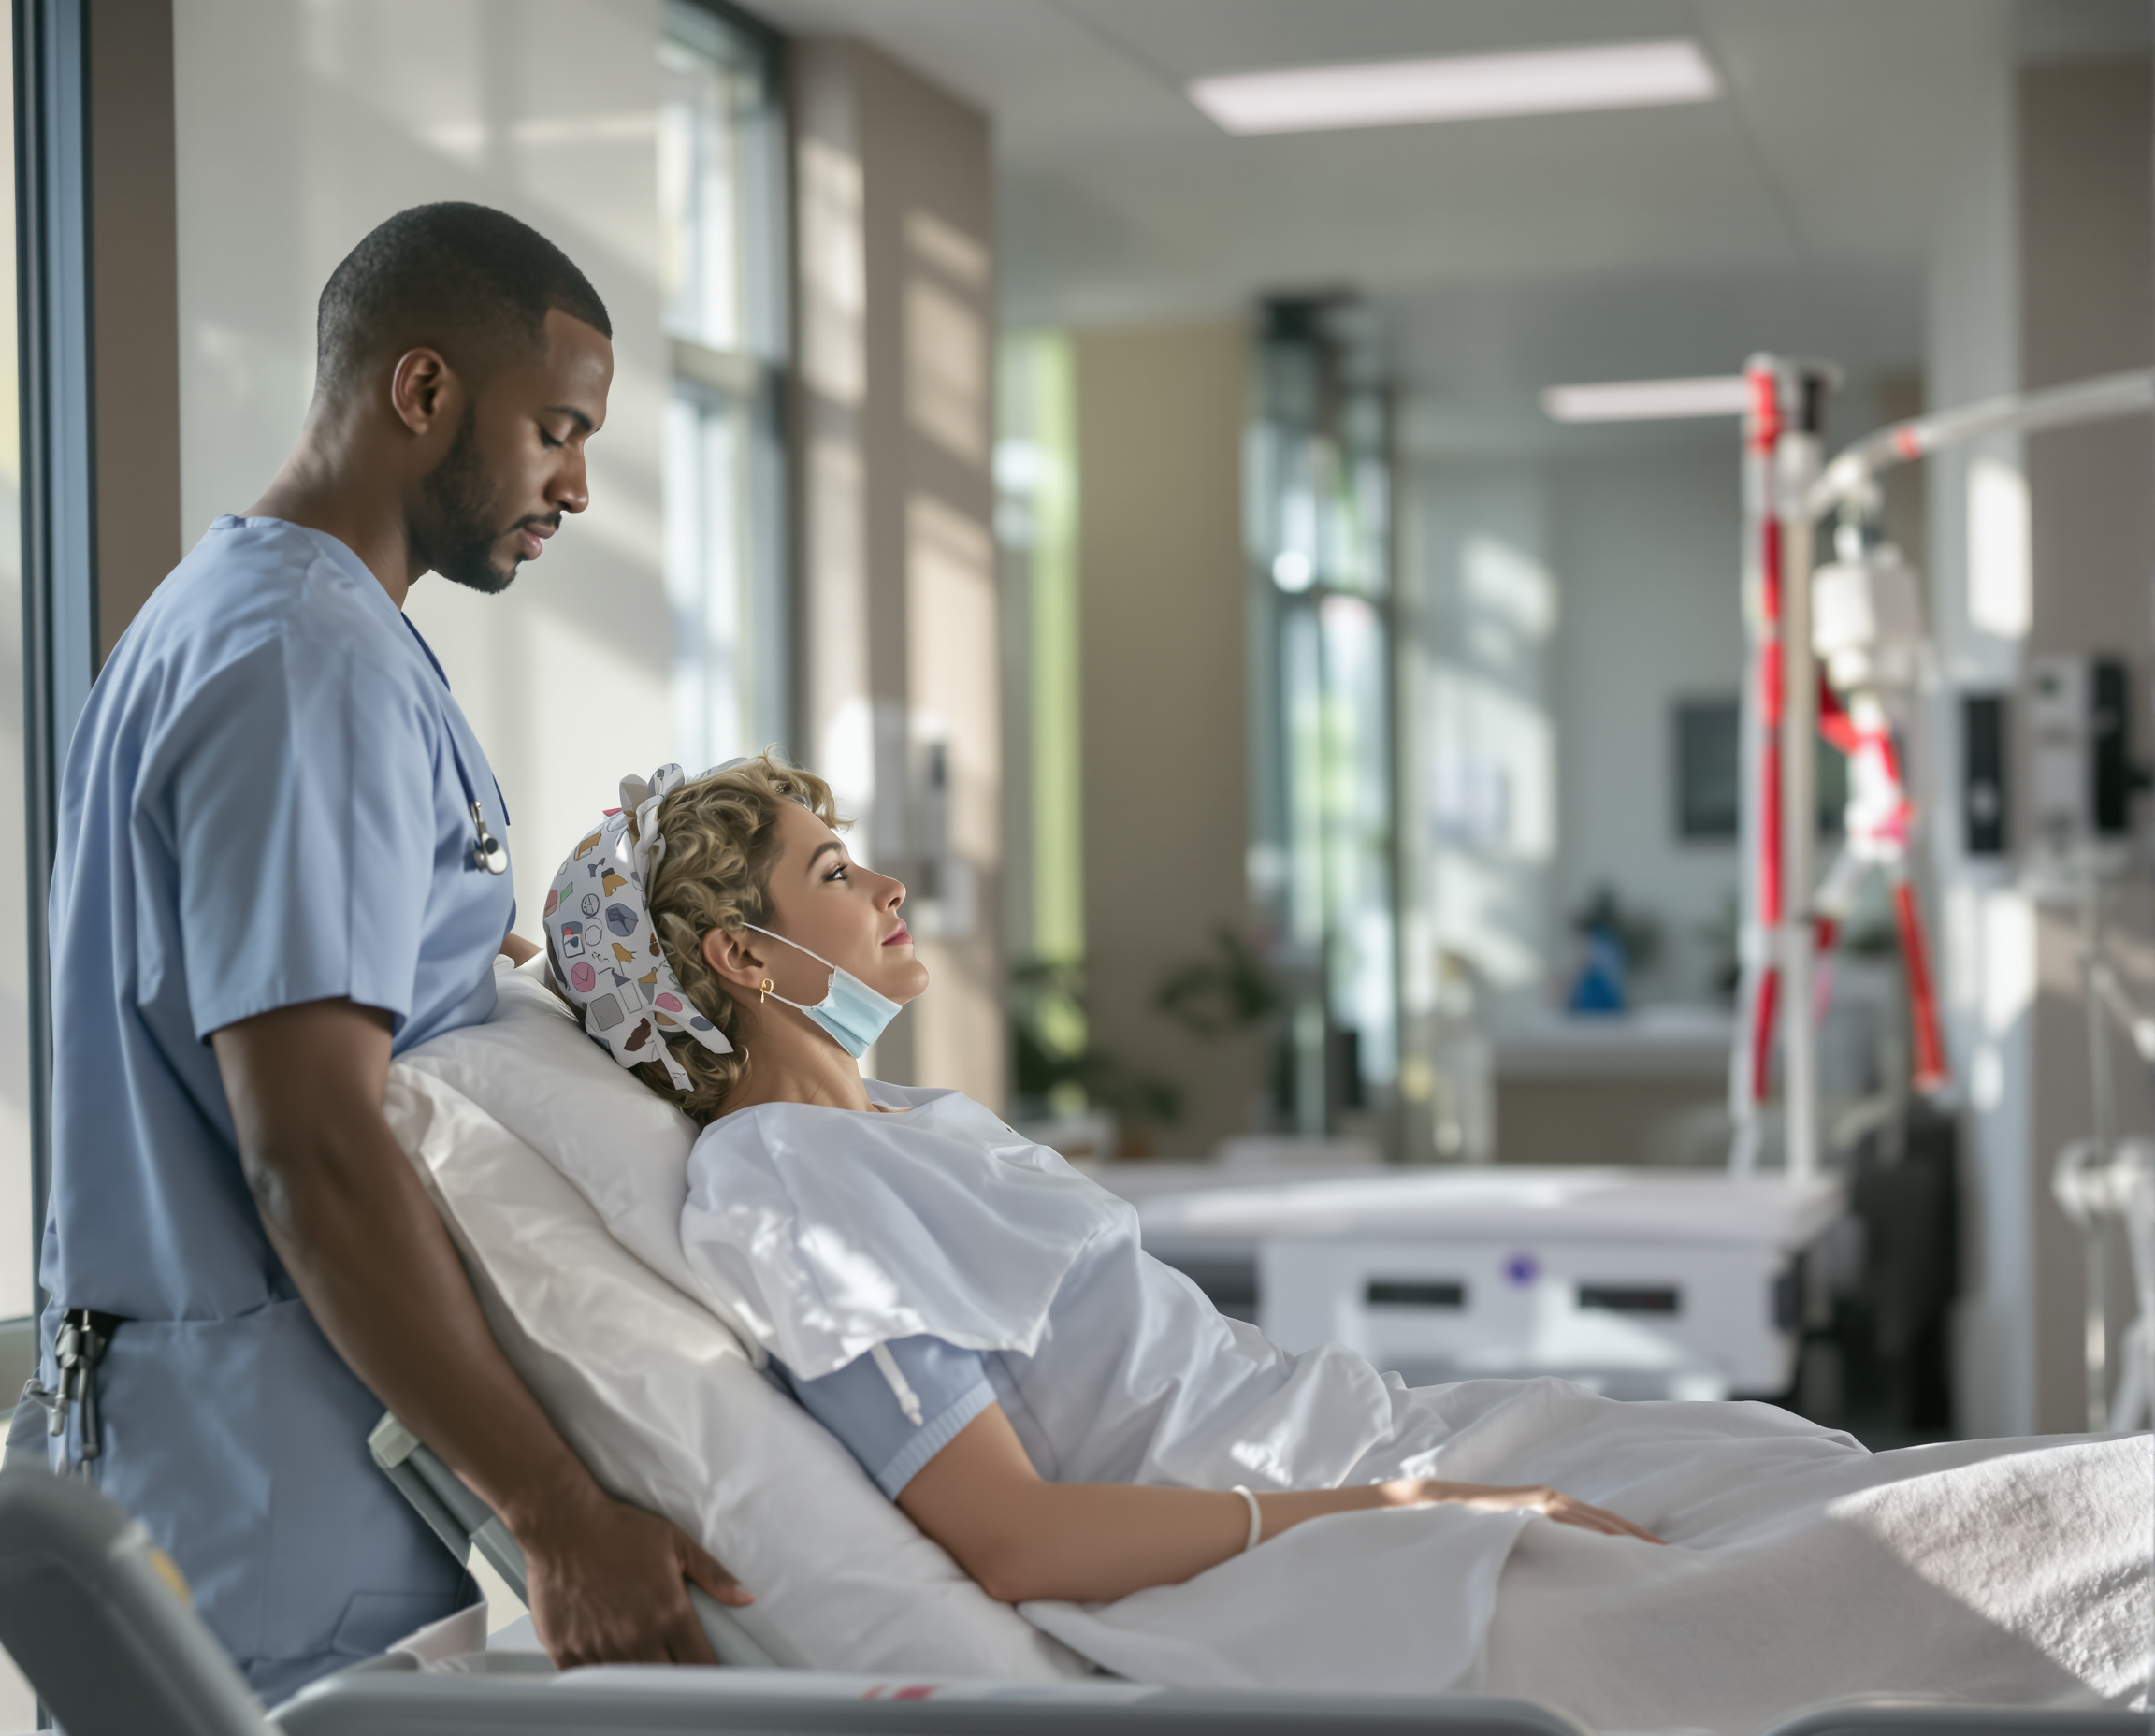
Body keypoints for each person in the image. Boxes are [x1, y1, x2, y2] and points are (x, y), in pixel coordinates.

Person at [539, 755, 2148, 1727]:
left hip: (1387, 1450)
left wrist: (1424, 1464)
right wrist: (1402, 1506)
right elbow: (1017, 1543)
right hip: (1316, 1558)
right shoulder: (783, 1181)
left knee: (1827, 1480)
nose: (889, 882)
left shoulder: (918, 1127)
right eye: (834, 872)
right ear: (744, 958)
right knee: (1904, 1581)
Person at [34, 203, 744, 1700]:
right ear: (422, 392)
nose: (579, 485)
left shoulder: (224, 617)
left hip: (236, 1464)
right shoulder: (308, 662)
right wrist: (559, 1515)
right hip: (281, 1503)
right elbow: (315, 1146)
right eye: (557, 428)